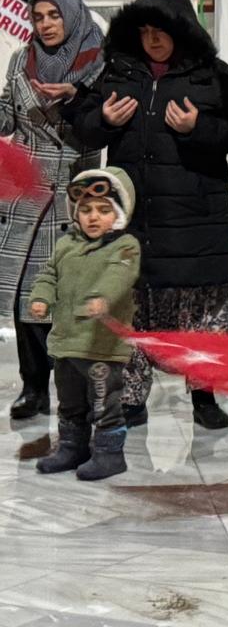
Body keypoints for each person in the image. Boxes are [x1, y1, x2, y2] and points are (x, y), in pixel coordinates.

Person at [71, 0, 228, 431]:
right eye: (145, 31)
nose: (153, 39)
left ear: (182, 30)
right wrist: (105, 121)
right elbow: (83, 127)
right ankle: (132, 399)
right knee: (132, 311)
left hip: (194, 218)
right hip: (134, 218)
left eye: (162, 31)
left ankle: (205, 396)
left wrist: (199, 128)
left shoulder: (213, 76)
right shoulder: (115, 72)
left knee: (201, 315)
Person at [1, 0, 103, 421]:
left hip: (72, 191)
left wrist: (76, 99)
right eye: (38, 16)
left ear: (71, 16)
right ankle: (33, 388)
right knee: (27, 297)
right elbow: (9, 114)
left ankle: (77, 391)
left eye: (53, 15)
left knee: (69, 299)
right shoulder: (19, 61)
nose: (45, 24)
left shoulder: (97, 62)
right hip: (26, 192)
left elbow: (100, 128)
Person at [29, 167, 141, 481]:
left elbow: (119, 276)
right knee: (70, 401)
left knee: (105, 403)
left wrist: (102, 297)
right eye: (86, 210)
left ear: (119, 214)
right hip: (66, 343)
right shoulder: (66, 245)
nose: (93, 217)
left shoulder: (125, 247)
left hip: (102, 347)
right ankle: (72, 446)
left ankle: (109, 454)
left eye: (104, 210)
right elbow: (48, 274)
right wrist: (41, 296)